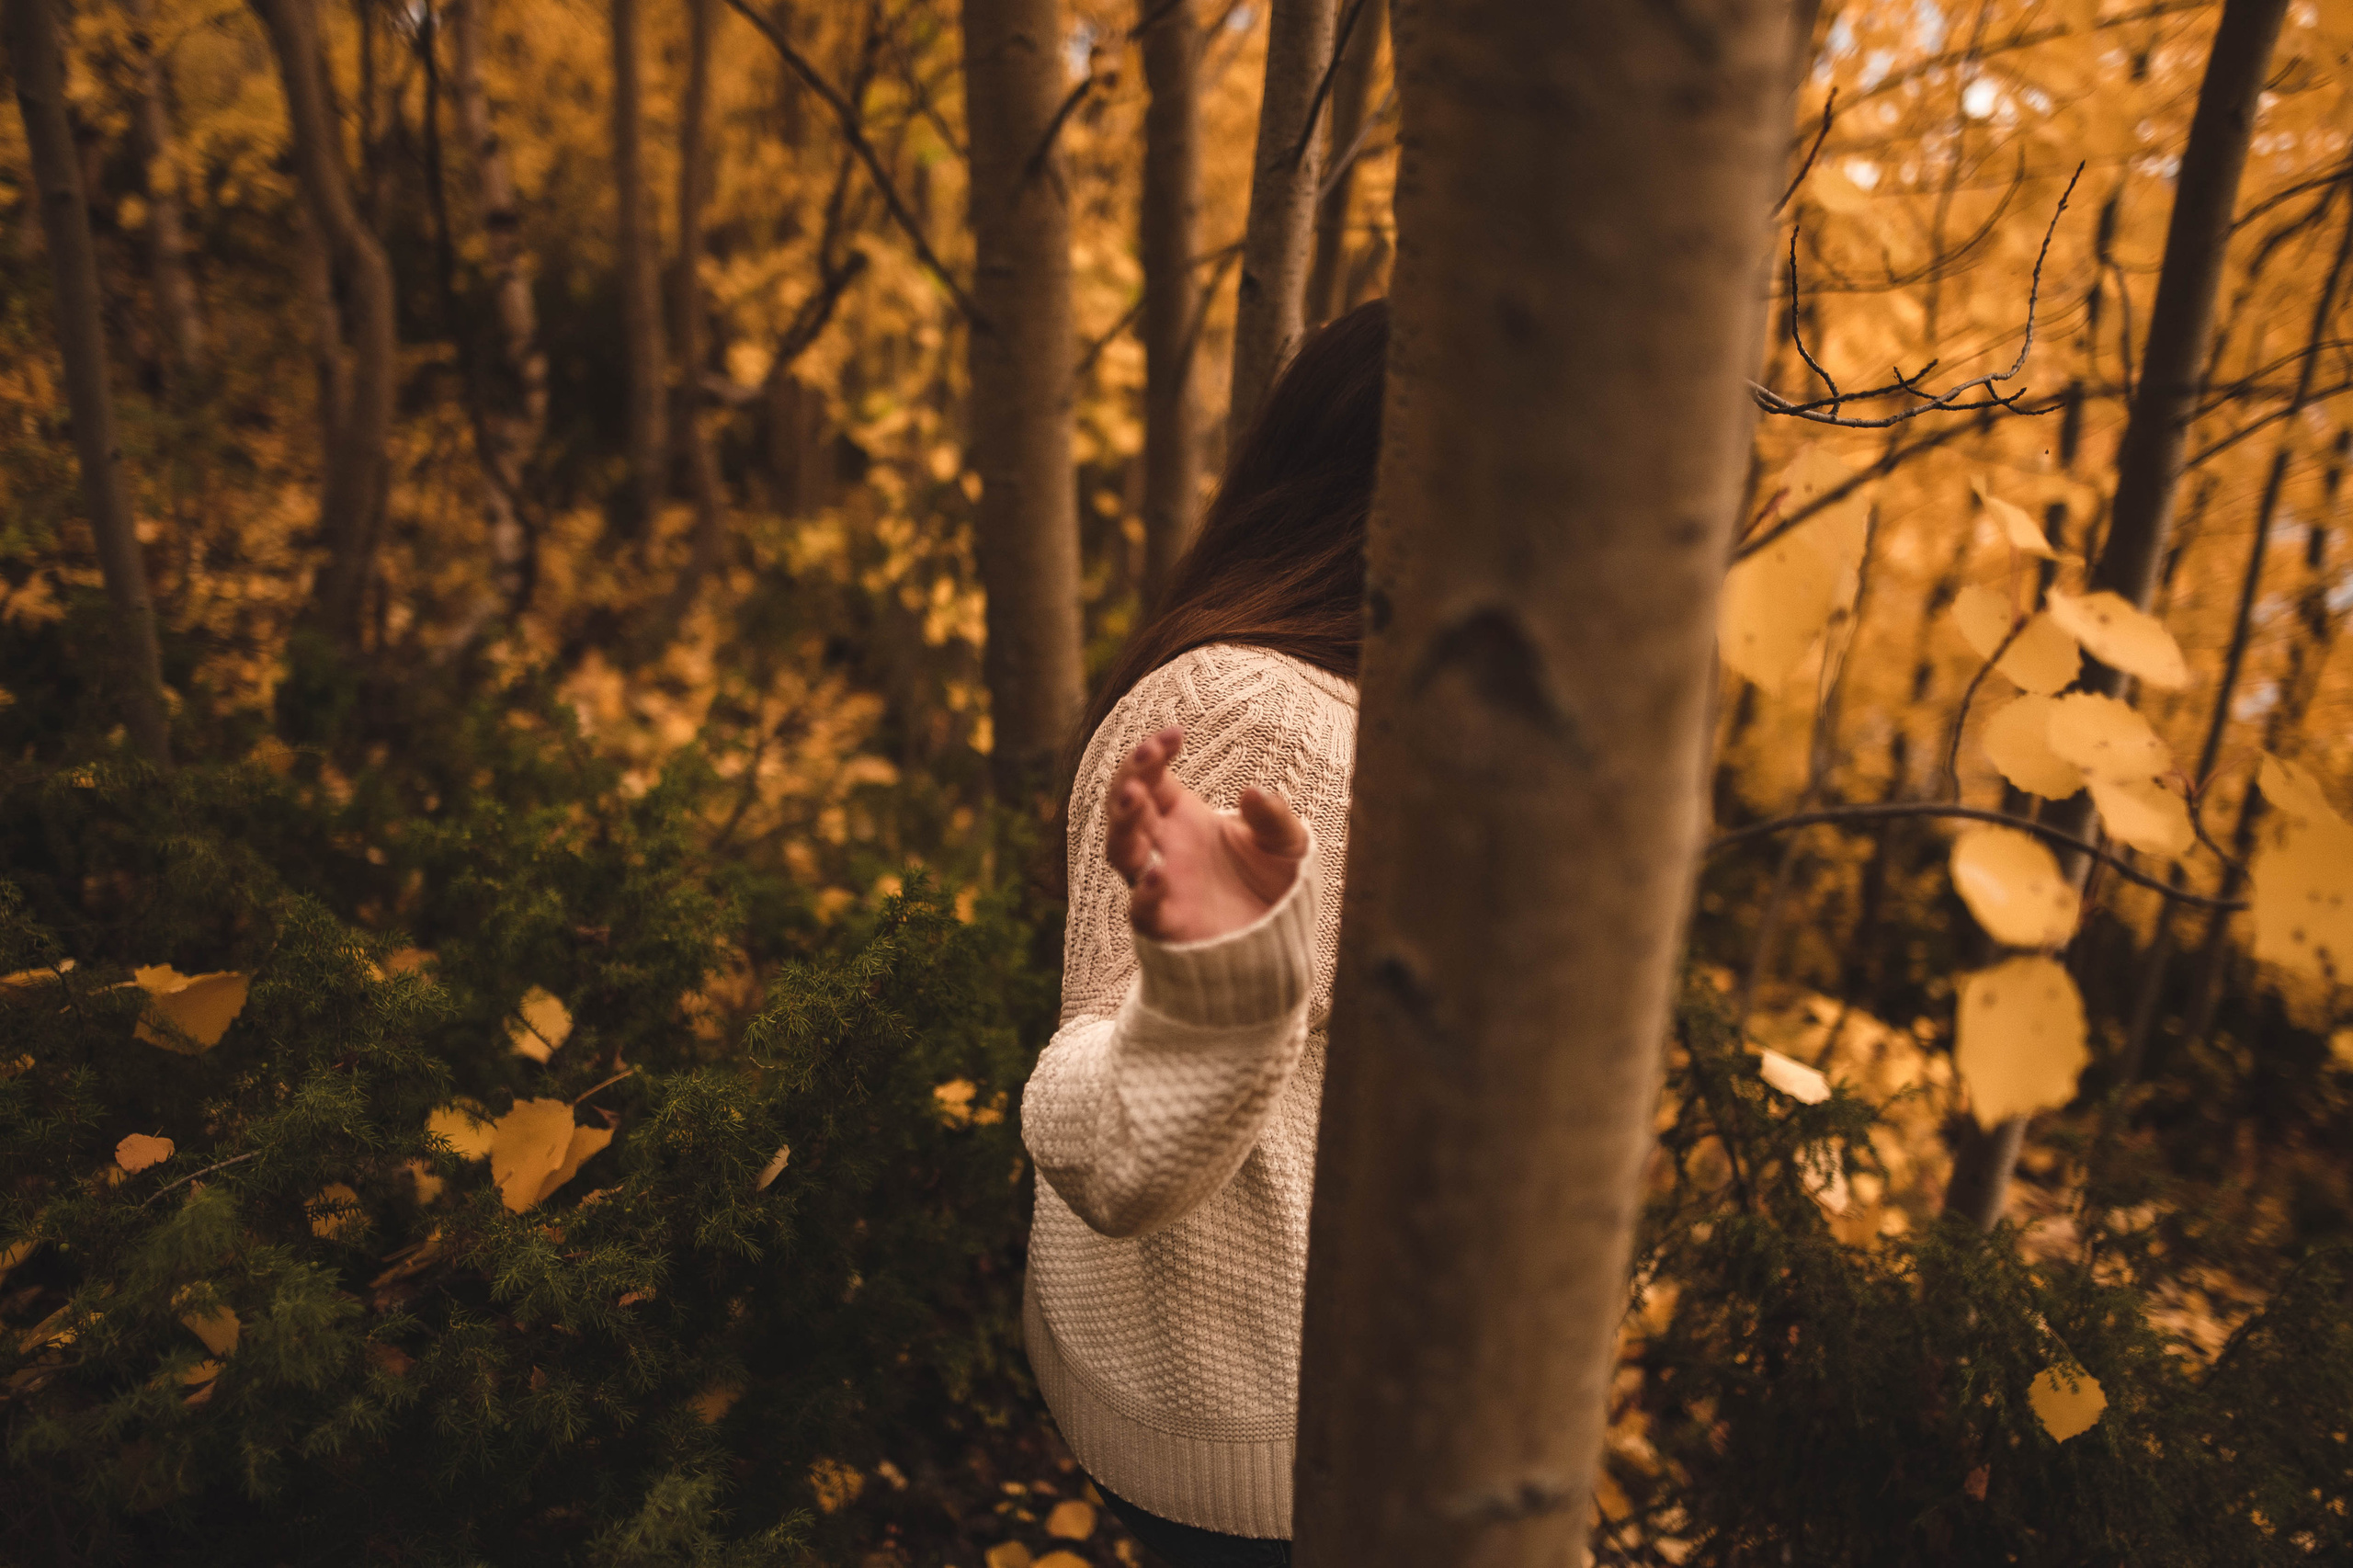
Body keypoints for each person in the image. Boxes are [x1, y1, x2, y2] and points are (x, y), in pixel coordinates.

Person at [1019, 300, 1386, 1568]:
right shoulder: (1261, 715)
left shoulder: (1389, 704)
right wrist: (1217, 989)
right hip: (1270, 1470)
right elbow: (1107, 1144)